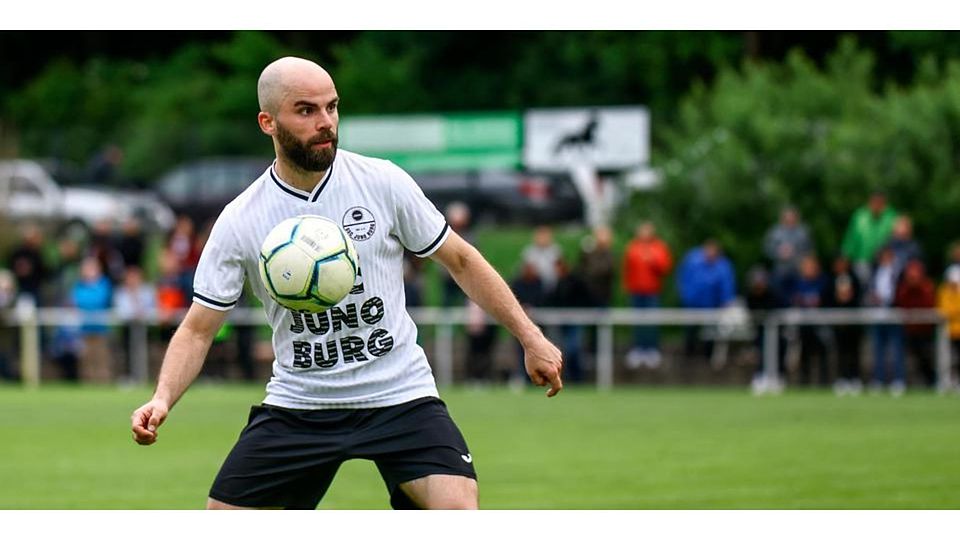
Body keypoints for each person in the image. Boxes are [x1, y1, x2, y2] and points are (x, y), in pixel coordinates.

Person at [130, 57, 563, 511]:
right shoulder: (241, 219)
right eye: (306, 110)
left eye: (332, 108)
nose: (325, 123)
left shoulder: (382, 182)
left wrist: (530, 338)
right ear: (267, 122)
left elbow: (460, 259)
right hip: (302, 402)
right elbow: (199, 328)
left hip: (399, 394)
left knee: (458, 510)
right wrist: (162, 399)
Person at [622, 221, 672, 368]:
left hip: (652, 292)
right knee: (637, 322)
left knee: (651, 322)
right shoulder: (633, 247)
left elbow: (665, 268)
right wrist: (627, 287)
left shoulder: (659, 247)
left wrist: (652, 259)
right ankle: (638, 349)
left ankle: (651, 350)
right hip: (636, 291)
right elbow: (627, 269)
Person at [677, 239, 736, 360]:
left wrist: (726, 300)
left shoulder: (723, 265)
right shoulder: (692, 260)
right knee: (690, 330)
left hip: (712, 305)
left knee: (710, 332)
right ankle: (689, 356)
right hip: (692, 303)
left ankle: (707, 357)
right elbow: (683, 277)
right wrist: (685, 295)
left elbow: (727, 285)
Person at [866, 246, 905, 396]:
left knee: (896, 349)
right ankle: (878, 380)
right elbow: (870, 290)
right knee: (878, 349)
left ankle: (898, 380)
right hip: (878, 313)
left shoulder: (898, 272)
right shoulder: (875, 272)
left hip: (894, 313)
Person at [841, 191, 898, 290]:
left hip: (884, 262)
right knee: (863, 287)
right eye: (874, 202)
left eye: (880, 203)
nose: (877, 205)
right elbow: (850, 238)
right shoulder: (859, 216)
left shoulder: (892, 216)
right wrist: (846, 255)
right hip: (862, 260)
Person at [824, 255, 863, 395]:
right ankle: (841, 378)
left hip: (853, 322)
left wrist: (849, 299)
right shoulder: (830, 280)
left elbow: (859, 298)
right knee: (840, 352)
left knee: (854, 351)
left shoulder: (854, 279)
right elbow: (826, 299)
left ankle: (855, 378)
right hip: (837, 323)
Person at [894, 259, 936, 389]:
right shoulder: (903, 288)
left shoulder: (927, 286)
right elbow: (900, 303)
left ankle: (933, 381)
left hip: (926, 329)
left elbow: (929, 304)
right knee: (914, 358)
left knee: (927, 356)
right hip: (910, 329)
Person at [763, 206, 813, 301]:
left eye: (792, 217)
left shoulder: (803, 232)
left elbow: (809, 250)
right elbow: (767, 249)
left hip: (799, 271)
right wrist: (778, 252)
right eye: (787, 217)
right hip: (780, 271)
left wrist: (797, 253)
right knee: (779, 295)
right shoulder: (775, 232)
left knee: (799, 296)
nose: (790, 219)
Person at [936, 265, 960, 389]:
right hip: (947, 333)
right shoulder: (944, 291)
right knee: (947, 361)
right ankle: (946, 382)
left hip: (957, 331)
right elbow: (943, 310)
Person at [521, 225, 562, 297]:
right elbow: (527, 271)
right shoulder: (529, 251)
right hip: (535, 283)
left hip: (554, 282)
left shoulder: (555, 250)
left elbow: (560, 269)